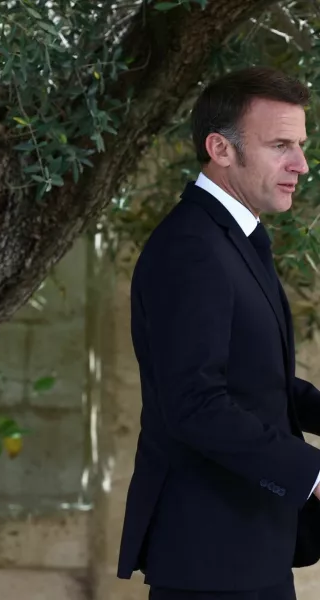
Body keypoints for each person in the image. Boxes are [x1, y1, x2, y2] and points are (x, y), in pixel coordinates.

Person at [117, 66, 320, 600]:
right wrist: (313, 474)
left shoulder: (231, 236)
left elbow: (258, 382)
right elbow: (196, 404)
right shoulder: (191, 247)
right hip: (210, 557)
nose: (301, 164)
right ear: (220, 149)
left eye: (300, 146)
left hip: (251, 547)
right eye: (281, 145)